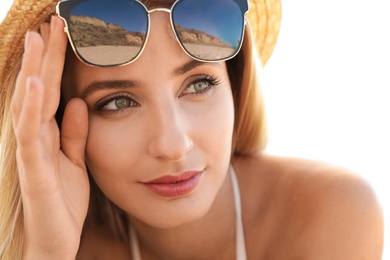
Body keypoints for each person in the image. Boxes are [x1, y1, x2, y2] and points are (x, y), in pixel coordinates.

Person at [0, 0, 384, 259]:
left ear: (234, 82)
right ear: (54, 122)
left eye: (198, 84)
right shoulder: (64, 247)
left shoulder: (332, 212)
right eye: (118, 102)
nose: (173, 144)